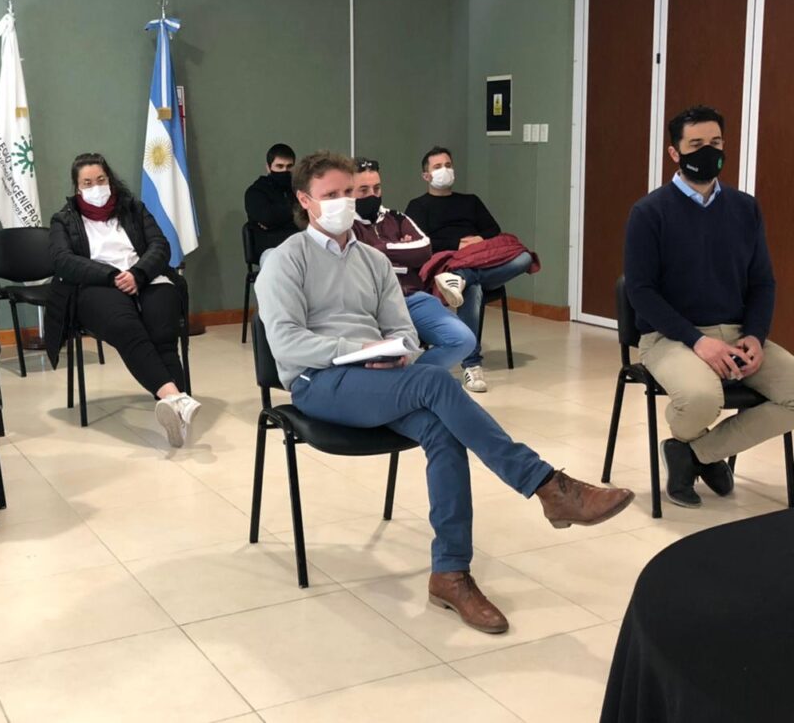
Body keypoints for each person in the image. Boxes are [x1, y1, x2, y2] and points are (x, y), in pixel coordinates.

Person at [256, 150, 634, 633]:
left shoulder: (373, 260)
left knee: (441, 428)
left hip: (377, 377)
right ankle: (547, 485)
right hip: (318, 381)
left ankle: (450, 573)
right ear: (305, 200)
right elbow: (286, 342)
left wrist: (396, 350)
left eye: (349, 192)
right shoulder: (285, 260)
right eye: (331, 194)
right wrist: (356, 349)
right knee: (436, 381)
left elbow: (403, 328)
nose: (345, 202)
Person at [625, 105, 794, 508]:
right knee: (702, 399)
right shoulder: (648, 212)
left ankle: (695, 453)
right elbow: (641, 291)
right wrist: (698, 341)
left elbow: (763, 282)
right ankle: (703, 454)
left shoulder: (745, 208)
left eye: (715, 142)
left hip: (736, 333)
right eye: (696, 144)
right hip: (669, 337)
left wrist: (755, 336)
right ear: (674, 153)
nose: (708, 152)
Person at [46, 152, 200, 447]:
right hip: (97, 285)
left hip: (145, 277)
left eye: (100, 179)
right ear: (77, 187)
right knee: (127, 328)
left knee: (163, 332)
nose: (96, 187)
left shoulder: (133, 208)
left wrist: (138, 274)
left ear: (110, 179)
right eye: (87, 183)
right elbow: (62, 261)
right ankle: (176, 399)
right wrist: (111, 275)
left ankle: (175, 414)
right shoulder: (64, 220)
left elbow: (160, 245)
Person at [406, 147, 534, 392]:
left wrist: (478, 240)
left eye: (448, 165)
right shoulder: (418, 206)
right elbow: (420, 241)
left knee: (525, 258)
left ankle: (463, 278)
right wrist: (456, 244)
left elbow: (493, 230)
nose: (445, 170)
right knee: (473, 289)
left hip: (477, 262)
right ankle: (472, 365)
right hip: (445, 265)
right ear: (426, 176)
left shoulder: (470, 201)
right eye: (437, 167)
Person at [350, 157, 476, 372]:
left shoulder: (396, 217)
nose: (373, 195)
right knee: (379, 352)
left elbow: (424, 249)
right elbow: (358, 259)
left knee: (463, 340)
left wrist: (380, 248)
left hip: (411, 297)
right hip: (372, 304)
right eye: (363, 190)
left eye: (377, 188)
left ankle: (411, 376)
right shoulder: (346, 225)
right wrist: (400, 248)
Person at [244, 143, 299, 263]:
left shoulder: (299, 190)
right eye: (279, 166)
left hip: (299, 245)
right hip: (271, 249)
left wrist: (277, 220)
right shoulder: (255, 192)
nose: (285, 170)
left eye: (289, 166)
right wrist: (297, 211)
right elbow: (268, 218)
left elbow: (312, 217)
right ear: (268, 168)